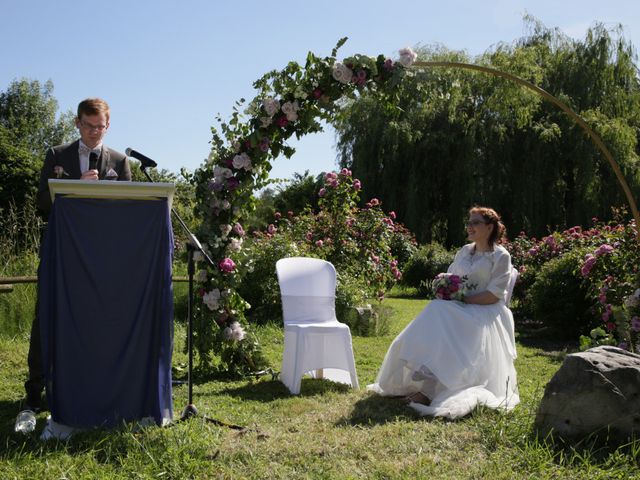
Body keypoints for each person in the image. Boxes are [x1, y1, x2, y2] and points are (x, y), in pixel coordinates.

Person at [23, 98, 131, 413]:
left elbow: (126, 209)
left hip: (102, 257)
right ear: (77, 123)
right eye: (89, 125)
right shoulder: (56, 155)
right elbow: (42, 202)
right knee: (46, 314)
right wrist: (72, 187)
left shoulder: (120, 161)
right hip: (60, 250)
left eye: (101, 126)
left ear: (108, 126)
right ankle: (35, 392)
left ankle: (92, 385)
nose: (95, 132)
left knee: (99, 317)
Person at [368, 206, 519, 419]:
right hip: (459, 306)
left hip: (486, 311)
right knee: (438, 309)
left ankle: (428, 391)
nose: (469, 227)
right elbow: (453, 278)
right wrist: (446, 287)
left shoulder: (500, 256)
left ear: (490, 227)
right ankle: (424, 382)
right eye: (468, 222)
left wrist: (464, 299)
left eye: (475, 222)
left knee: (440, 312)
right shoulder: (465, 251)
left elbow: (495, 295)